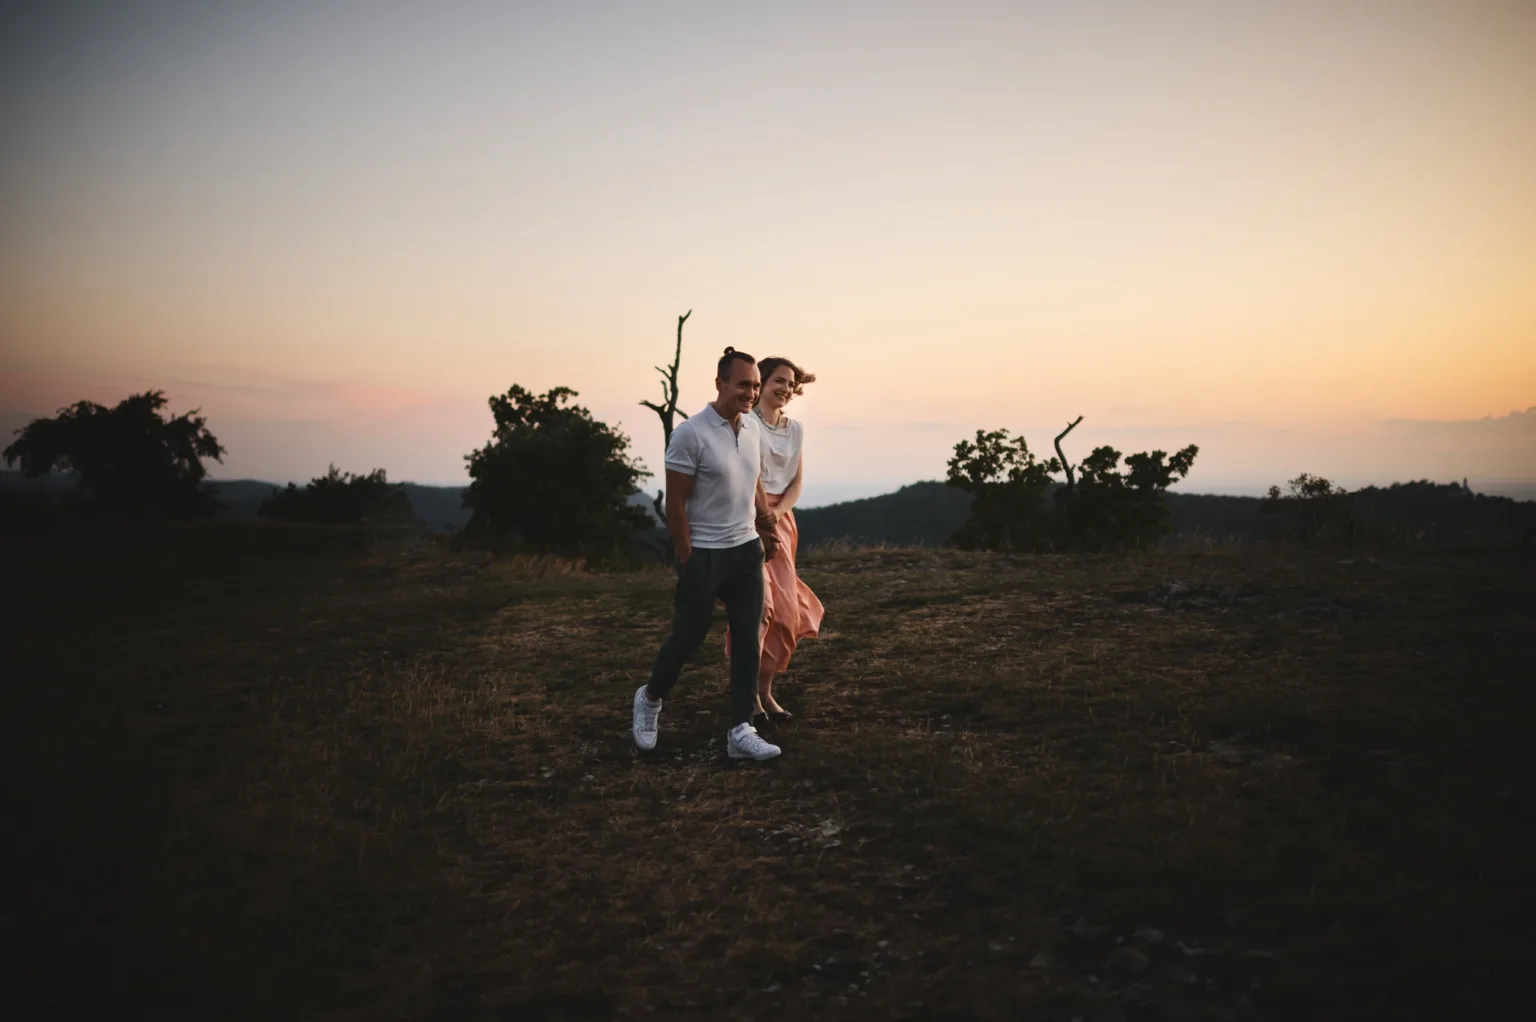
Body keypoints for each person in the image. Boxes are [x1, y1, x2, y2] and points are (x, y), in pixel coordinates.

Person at [631, 347, 785, 762]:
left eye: (755, 385)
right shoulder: (690, 434)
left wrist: (766, 529)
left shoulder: (752, 427)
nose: (750, 392)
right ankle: (650, 698)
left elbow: (752, 481)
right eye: (742, 384)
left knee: (748, 640)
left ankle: (740, 729)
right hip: (705, 554)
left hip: (745, 551)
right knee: (688, 637)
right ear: (719, 383)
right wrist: (687, 557)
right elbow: (675, 504)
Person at [729, 356, 824, 720]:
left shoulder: (795, 429)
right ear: (762, 382)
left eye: (790, 383)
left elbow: (797, 483)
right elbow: (746, 473)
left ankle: (765, 693)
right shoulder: (745, 423)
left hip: (782, 522)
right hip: (746, 517)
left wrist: (778, 514)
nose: (785, 388)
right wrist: (762, 516)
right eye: (778, 381)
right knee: (759, 610)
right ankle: (747, 698)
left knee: (784, 613)